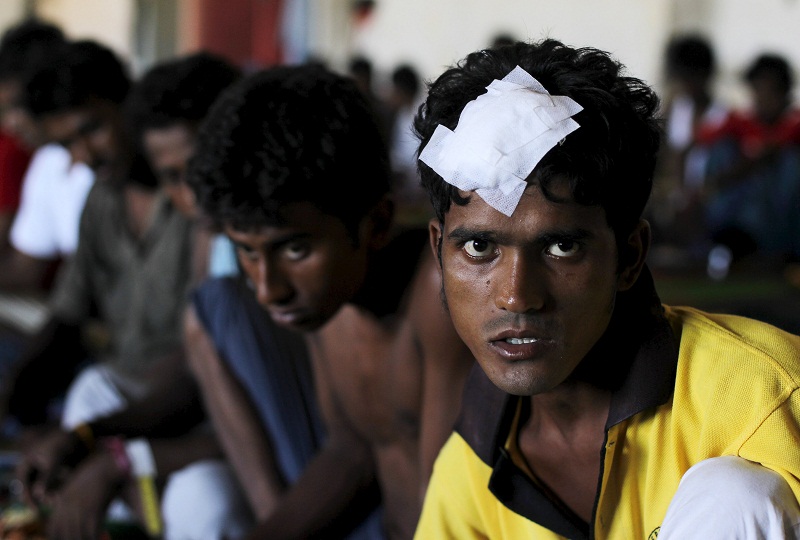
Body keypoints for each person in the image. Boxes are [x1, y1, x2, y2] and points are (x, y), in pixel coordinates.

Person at [412, 38, 800, 538]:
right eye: (480, 248)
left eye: (561, 247)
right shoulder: (476, 458)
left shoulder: (764, 398)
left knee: (738, 499)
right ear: (439, 254)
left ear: (630, 257)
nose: (516, 296)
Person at [187, 63, 475, 539]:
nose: (267, 288)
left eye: (295, 249)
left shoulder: (436, 293)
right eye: (247, 251)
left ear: (377, 224)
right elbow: (352, 450)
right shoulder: (328, 304)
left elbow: (448, 514)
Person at [10, 51, 252, 540]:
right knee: (92, 390)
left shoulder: (198, 202)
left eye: (92, 129)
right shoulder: (101, 204)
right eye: (67, 145)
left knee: (204, 502)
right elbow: (67, 317)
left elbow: (197, 361)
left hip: (197, 402)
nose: (85, 154)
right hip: (142, 397)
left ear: (127, 105)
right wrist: (16, 402)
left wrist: (99, 442)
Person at [0, 19, 88, 295]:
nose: (10, 124)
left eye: (18, 107)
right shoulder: (49, 162)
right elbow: (25, 267)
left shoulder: (102, 161)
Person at [696, 52, 800, 276]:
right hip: (740, 207)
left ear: (784, 93)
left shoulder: (794, 125)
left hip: (779, 220)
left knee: (791, 163)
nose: (762, 98)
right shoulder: (742, 123)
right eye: (757, 90)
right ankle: (724, 238)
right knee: (723, 150)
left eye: (769, 91)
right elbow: (705, 139)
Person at [648, 34, 728, 264]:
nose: (688, 84)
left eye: (693, 77)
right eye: (683, 77)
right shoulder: (674, 110)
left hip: (710, 199)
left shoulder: (722, 115)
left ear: (707, 75)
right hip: (674, 196)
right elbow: (663, 157)